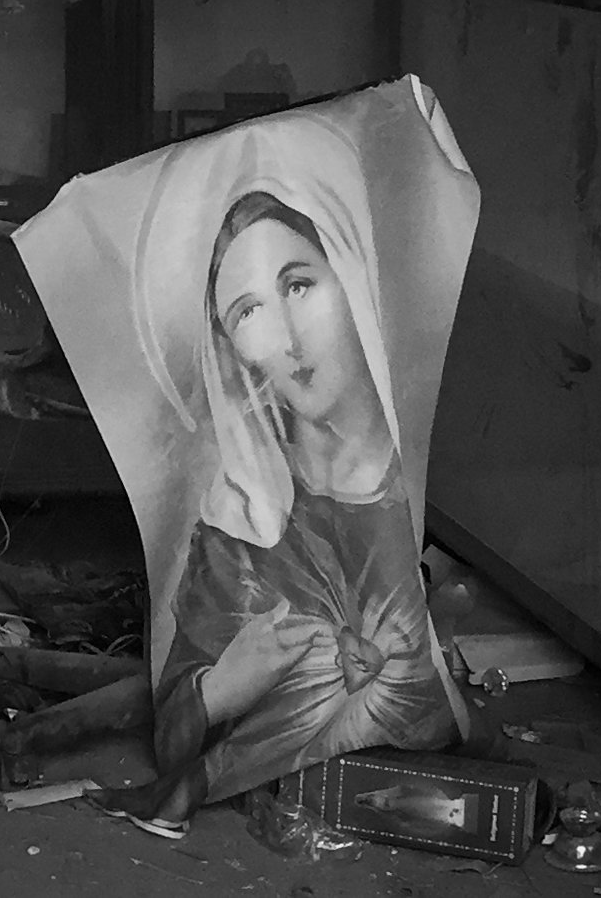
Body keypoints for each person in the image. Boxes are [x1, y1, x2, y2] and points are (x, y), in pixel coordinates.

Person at [83, 187, 470, 836]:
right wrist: (222, 686)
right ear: (234, 350)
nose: (287, 338)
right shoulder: (241, 523)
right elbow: (175, 736)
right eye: (248, 311)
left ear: (348, 276)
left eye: (297, 285)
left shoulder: (435, 460)